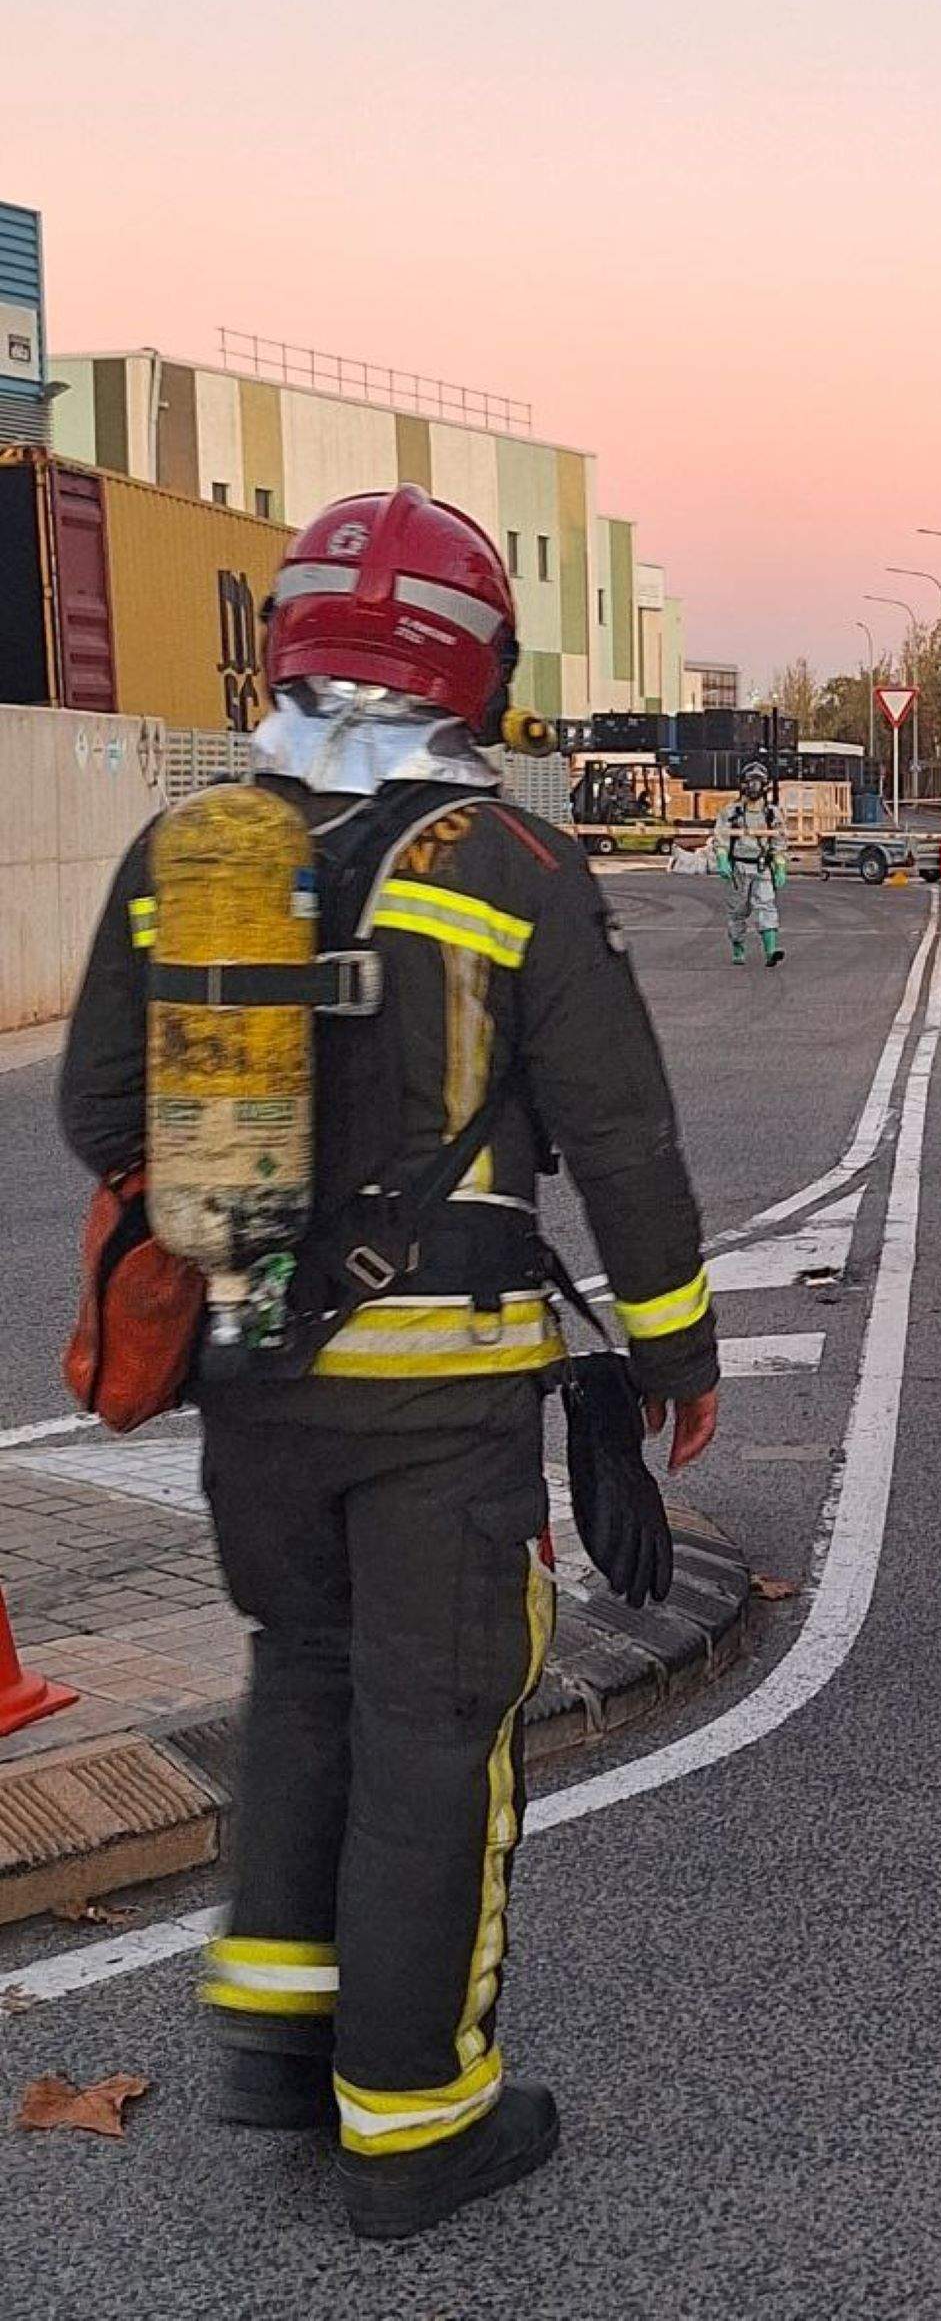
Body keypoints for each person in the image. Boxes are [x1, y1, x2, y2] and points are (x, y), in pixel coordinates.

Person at [58, 485, 720, 2241]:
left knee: (305, 1678)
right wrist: (674, 1350)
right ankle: (418, 2124)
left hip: (250, 1383)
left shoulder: (191, 853)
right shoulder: (509, 870)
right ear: (474, 664)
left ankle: (279, 2047)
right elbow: (623, 1137)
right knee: (437, 1732)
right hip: (438, 1410)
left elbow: (95, 1110)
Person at [710, 759, 787, 965]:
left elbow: (778, 842)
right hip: (738, 868)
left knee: (767, 906)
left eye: (758, 781)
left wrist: (780, 866)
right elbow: (721, 839)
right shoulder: (731, 812)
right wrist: (722, 859)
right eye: (750, 781)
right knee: (738, 911)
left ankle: (771, 950)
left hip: (762, 867)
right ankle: (738, 945)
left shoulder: (772, 814)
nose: (753, 786)